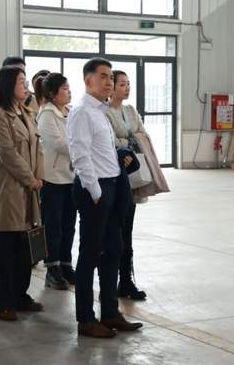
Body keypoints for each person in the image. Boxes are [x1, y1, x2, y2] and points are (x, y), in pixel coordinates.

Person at [67, 58, 142, 338]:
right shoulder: (81, 112)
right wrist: (95, 191)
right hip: (94, 191)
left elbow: (103, 151)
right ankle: (86, 320)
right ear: (88, 81)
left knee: (113, 250)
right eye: (103, 77)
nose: (109, 82)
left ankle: (110, 313)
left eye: (111, 77)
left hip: (112, 186)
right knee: (90, 254)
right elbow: (80, 155)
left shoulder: (101, 112)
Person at [106, 70, 170, 301]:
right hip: (114, 174)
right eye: (122, 84)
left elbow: (143, 134)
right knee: (113, 233)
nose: (127, 88)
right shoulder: (104, 112)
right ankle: (110, 282)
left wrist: (129, 141)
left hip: (132, 173)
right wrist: (129, 141)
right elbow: (110, 141)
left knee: (127, 231)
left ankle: (126, 280)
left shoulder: (130, 110)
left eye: (128, 84)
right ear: (112, 87)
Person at [0, 65, 44, 322]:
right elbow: (7, 153)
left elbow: (38, 148)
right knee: (4, 247)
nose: (26, 86)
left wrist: (38, 177)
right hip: (9, 189)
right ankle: (1, 304)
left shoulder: (27, 113)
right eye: (21, 81)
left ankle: (20, 296)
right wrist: (30, 179)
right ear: (8, 85)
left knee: (24, 247)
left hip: (30, 187)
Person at [36, 73, 76, 290]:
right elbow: (59, 143)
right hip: (53, 178)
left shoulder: (69, 112)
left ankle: (66, 265)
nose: (69, 92)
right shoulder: (46, 114)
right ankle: (52, 268)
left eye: (69, 87)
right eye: (64, 88)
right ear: (52, 93)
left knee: (69, 224)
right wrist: (82, 148)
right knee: (53, 226)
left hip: (71, 176)